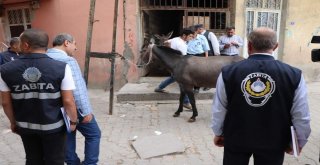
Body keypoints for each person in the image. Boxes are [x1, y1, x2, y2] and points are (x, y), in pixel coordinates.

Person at [212, 27, 311, 165]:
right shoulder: (294, 74)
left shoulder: (228, 72)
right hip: (274, 140)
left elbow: (219, 108)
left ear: (249, 45)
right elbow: (301, 115)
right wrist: (299, 141)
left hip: (236, 138)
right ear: (276, 46)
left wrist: (218, 132)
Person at [0, 29, 78, 165]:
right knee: (55, 160)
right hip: (54, 127)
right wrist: (73, 121)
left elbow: (5, 103)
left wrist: (13, 122)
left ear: (26, 45)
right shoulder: (62, 67)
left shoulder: (5, 70)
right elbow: (68, 101)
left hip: (25, 126)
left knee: (32, 159)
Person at [47, 33, 101, 165]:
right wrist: (86, 111)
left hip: (54, 109)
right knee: (94, 134)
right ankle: (90, 163)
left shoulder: (45, 57)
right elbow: (77, 89)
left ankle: (72, 163)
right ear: (66, 43)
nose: (75, 48)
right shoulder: (68, 61)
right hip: (73, 108)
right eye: (74, 44)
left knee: (67, 137)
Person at [154, 28, 194, 109]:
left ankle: (159, 88)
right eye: (190, 36)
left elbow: (166, 42)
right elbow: (184, 58)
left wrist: (170, 49)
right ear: (184, 36)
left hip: (172, 64)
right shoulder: (181, 44)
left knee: (173, 78)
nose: (191, 38)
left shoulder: (176, 39)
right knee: (183, 83)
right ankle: (185, 102)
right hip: (179, 65)